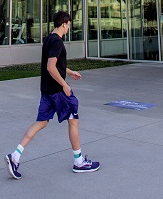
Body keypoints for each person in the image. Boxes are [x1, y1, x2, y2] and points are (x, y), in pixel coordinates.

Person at [5, 11, 99, 179]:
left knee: (41, 122)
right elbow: (50, 67)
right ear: (64, 24)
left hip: (47, 90)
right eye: (69, 25)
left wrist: (68, 72)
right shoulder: (57, 41)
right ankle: (79, 162)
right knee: (73, 121)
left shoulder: (49, 39)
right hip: (57, 91)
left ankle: (15, 156)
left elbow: (54, 64)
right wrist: (64, 85)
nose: (69, 27)